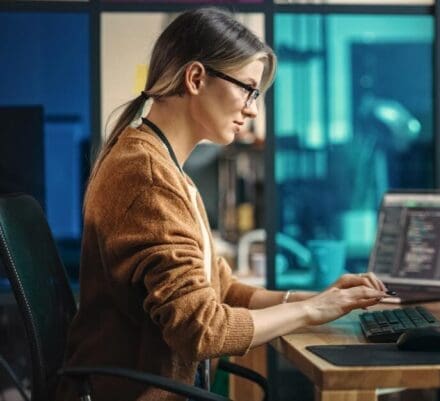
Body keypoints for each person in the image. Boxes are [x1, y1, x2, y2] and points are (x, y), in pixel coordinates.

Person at [57, 8, 387, 401]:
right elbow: (205, 330)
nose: (252, 108)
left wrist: (319, 300)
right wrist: (311, 313)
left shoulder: (164, 167)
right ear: (196, 78)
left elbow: (223, 289)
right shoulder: (146, 175)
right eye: (248, 89)